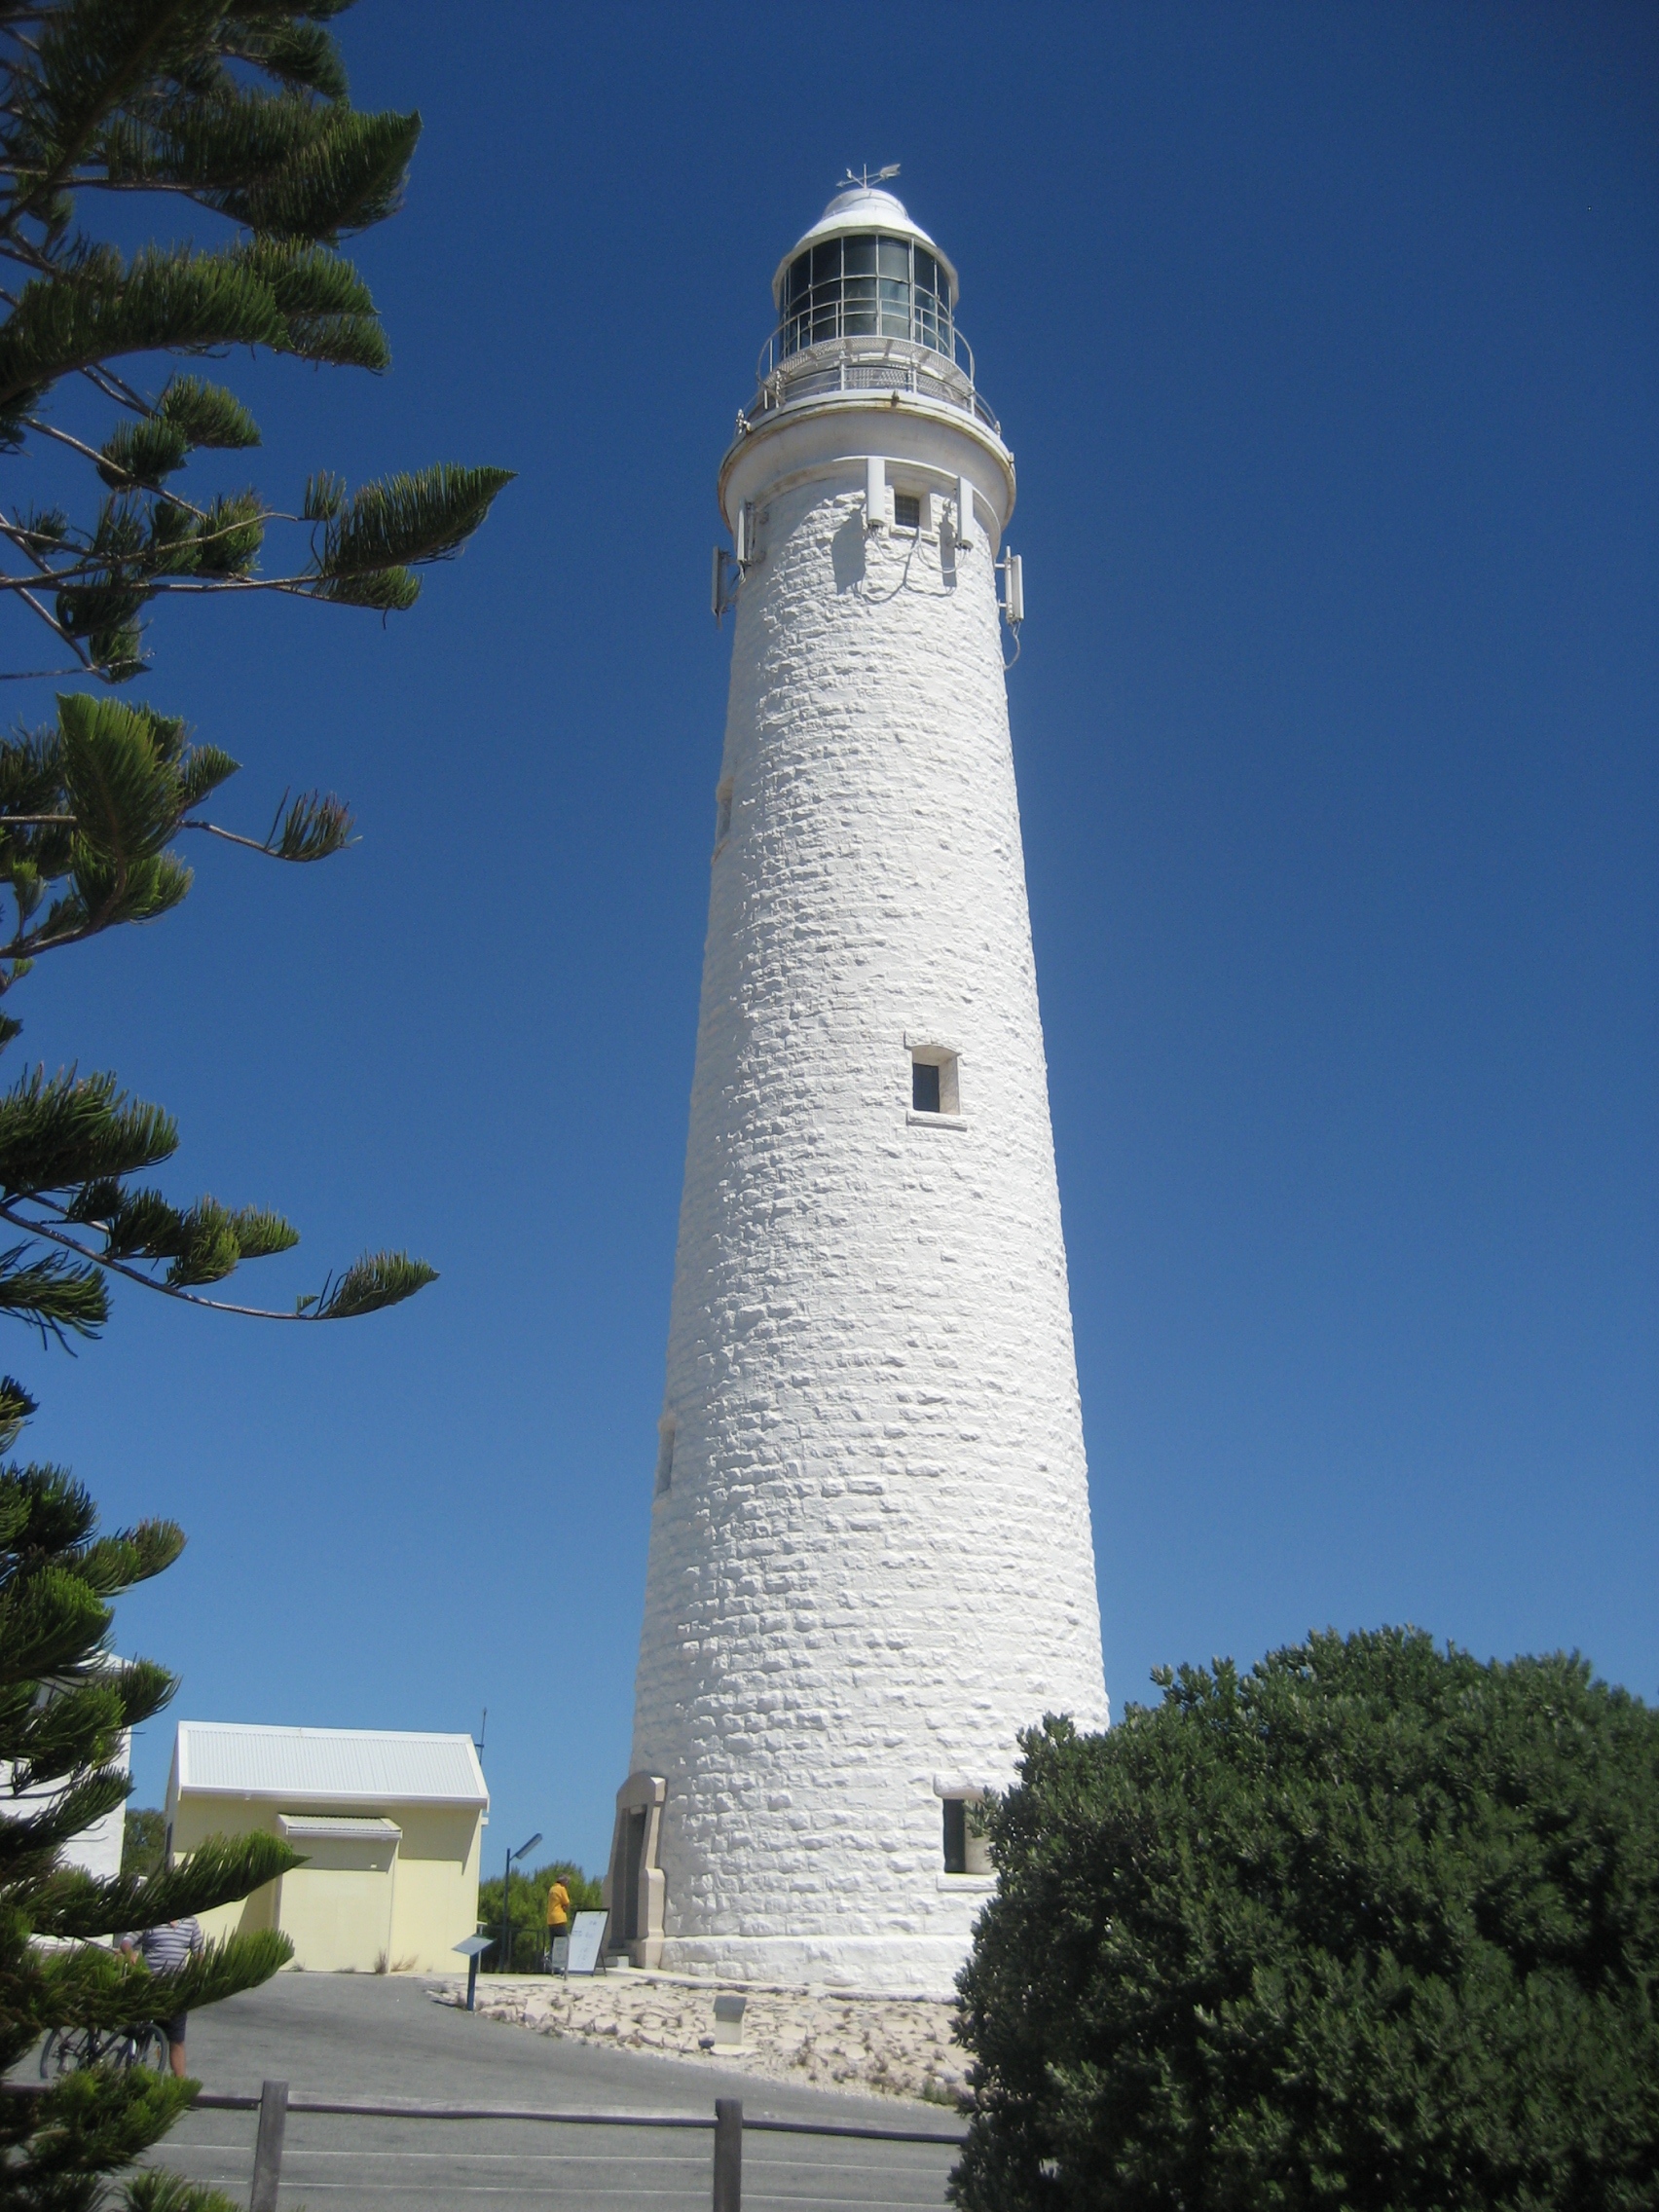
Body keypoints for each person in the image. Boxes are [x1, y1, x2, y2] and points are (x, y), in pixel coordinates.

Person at [119, 1914, 203, 2078]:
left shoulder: (190, 1922)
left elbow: (199, 1952)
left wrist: (196, 1973)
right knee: (140, 2035)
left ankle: (180, 2086)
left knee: (177, 2040)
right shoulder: (152, 1919)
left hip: (176, 1992)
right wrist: (131, 1955)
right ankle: (133, 2074)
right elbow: (126, 1942)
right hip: (150, 1989)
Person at [545, 1875, 571, 1970]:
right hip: (559, 1918)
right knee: (564, 1942)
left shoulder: (552, 1889)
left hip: (550, 1918)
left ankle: (554, 1965)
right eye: (567, 1882)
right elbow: (567, 1903)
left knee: (554, 1943)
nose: (567, 1885)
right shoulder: (561, 1889)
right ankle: (552, 1959)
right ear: (563, 1882)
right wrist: (565, 1908)